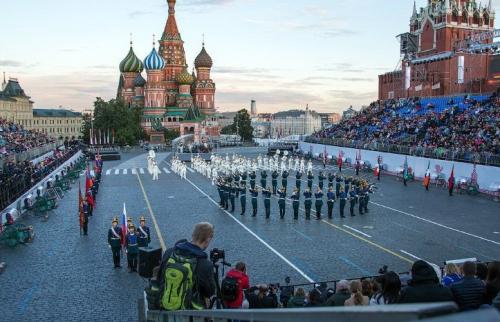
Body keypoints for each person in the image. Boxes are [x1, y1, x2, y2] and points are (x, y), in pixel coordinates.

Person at [157, 222, 216, 310]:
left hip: (165, 302)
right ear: (208, 239)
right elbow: (210, 292)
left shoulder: (169, 252)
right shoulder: (206, 265)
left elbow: (160, 277)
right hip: (188, 309)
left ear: (193, 235)